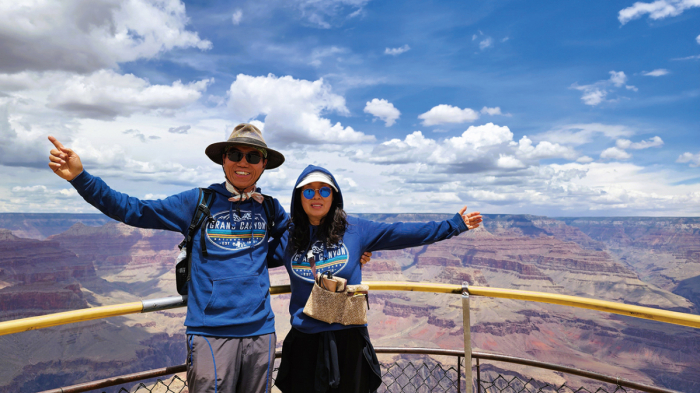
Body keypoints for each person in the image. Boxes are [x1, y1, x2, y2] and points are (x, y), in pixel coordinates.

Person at [48, 124, 290, 393]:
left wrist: (258, 259)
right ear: (224, 160)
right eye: (235, 154)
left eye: (253, 157)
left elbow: (293, 238)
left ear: (264, 164)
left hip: (261, 332)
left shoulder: (268, 207)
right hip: (211, 332)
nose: (243, 162)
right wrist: (81, 178)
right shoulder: (198, 202)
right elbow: (135, 210)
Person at [272, 165, 483, 393]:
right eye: (308, 191)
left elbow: (401, 233)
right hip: (305, 340)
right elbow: (250, 256)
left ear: (334, 196)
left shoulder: (355, 230)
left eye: (324, 190)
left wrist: (452, 226)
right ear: (298, 197)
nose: (316, 196)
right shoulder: (288, 236)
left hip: (349, 337)